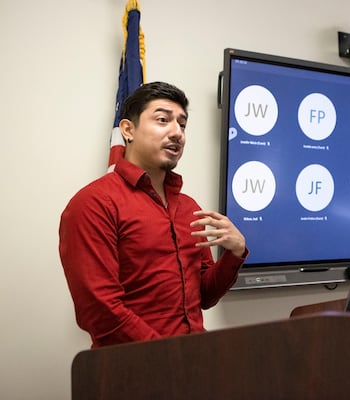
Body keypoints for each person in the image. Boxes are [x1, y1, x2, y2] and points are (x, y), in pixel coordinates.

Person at [59, 81, 248, 348]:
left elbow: (203, 296)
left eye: (182, 125)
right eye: (163, 120)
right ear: (128, 130)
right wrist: (168, 356)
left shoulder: (189, 208)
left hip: (196, 363)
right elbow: (99, 310)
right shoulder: (93, 203)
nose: (177, 133)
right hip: (132, 371)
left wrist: (235, 253)